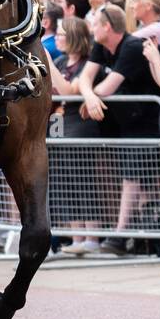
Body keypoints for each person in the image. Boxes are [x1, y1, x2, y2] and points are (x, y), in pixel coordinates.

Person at [77, 5, 160, 255]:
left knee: (135, 178)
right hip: (126, 123)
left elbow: (109, 86)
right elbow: (86, 78)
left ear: (107, 27)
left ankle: (121, 235)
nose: (92, 29)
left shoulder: (131, 46)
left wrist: (93, 96)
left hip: (149, 121)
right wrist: (90, 97)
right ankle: (136, 238)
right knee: (136, 180)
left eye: (96, 24)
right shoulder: (101, 45)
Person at [48, 18, 108, 255]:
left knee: (83, 180)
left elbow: (68, 91)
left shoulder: (86, 64)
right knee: (65, 183)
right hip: (58, 125)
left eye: (62, 34)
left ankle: (92, 236)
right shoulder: (62, 60)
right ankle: (76, 237)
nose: (57, 38)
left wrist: (49, 65)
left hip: (80, 125)